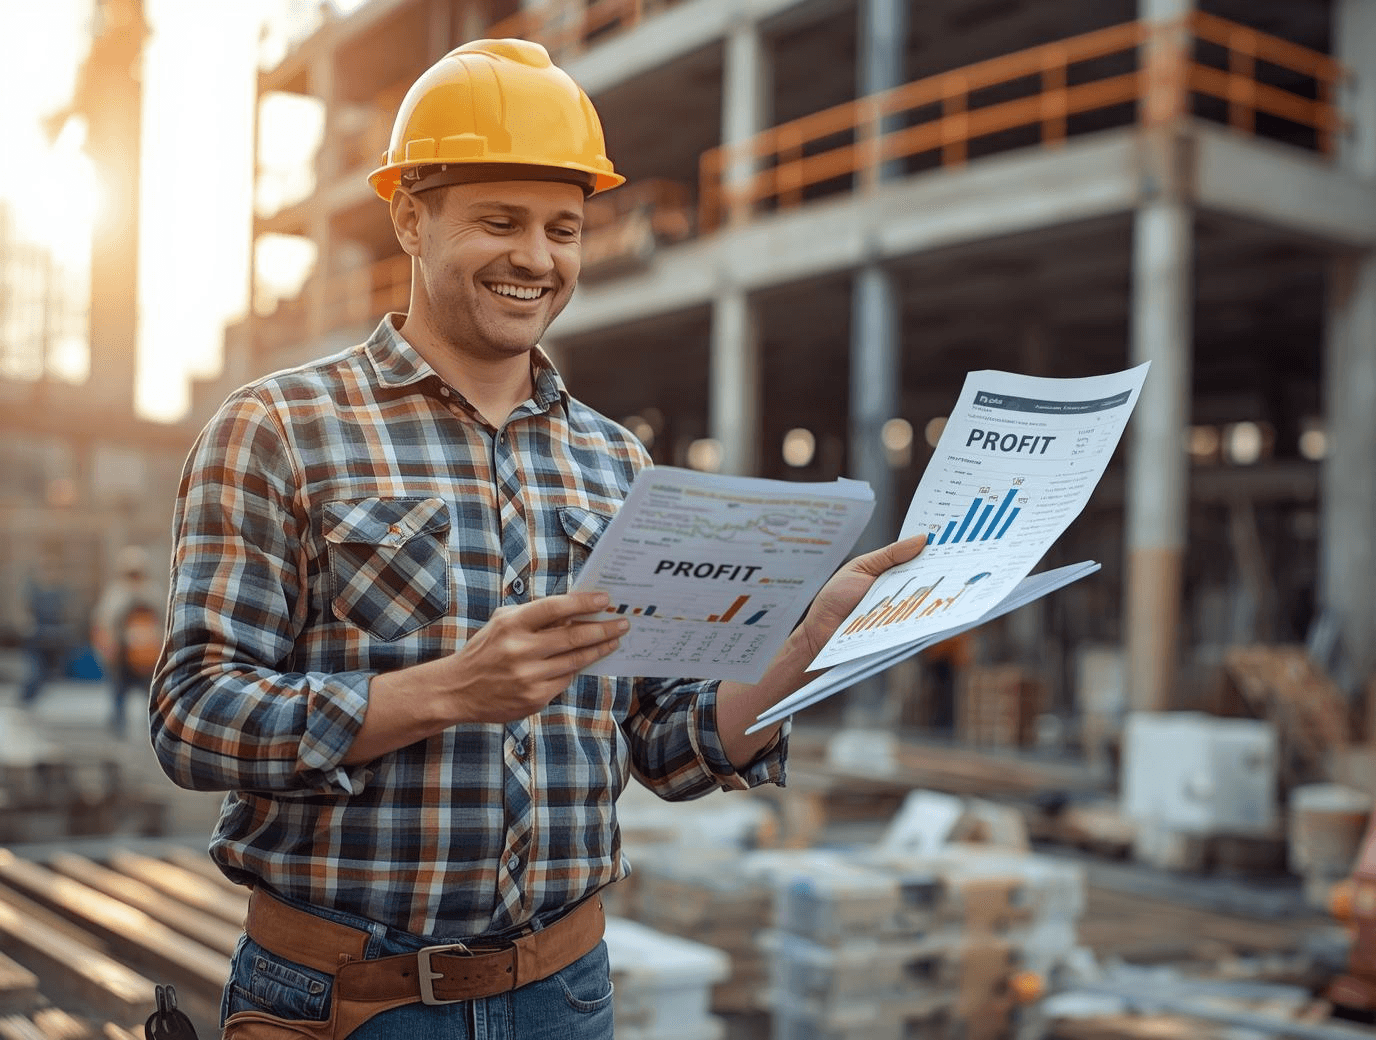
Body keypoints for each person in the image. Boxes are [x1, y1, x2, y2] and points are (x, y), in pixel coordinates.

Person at [151, 39, 925, 1040]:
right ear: (410, 218)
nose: (538, 257)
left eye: (564, 227)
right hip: (346, 1002)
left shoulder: (617, 463)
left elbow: (668, 742)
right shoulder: (280, 428)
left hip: (564, 993)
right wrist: (446, 692)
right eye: (499, 221)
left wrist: (808, 641)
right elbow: (193, 717)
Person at [91, 545, 163, 735]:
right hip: (122, 656)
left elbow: (163, 623)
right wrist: (108, 651)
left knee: (152, 698)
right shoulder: (117, 593)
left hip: (147, 658)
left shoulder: (153, 592)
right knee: (119, 696)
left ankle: (156, 733)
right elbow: (104, 623)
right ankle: (117, 730)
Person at [19, 554, 70, 708]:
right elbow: (24, 614)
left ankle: (28, 703)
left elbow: (68, 615)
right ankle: (24, 702)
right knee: (35, 674)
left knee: (47, 676)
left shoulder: (61, 592)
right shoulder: (32, 591)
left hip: (54, 642)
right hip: (36, 640)